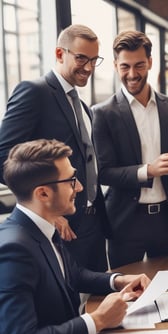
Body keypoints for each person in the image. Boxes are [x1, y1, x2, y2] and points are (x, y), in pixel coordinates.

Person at [0, 138, 150, 334]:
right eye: (71, 180)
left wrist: (117, 280)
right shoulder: (14, 250)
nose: (79, 187)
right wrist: (98, 320)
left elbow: (72, 274)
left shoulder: (40, 226)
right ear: (43, 193)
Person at [0, 24, 110, 272]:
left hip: (93, 224)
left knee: (100, 296)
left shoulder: (82, 105)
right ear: (60, 54)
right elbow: (4, 160)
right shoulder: (34, 92)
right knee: (65, 305)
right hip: (59, 226)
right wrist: (46, 212)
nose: (89, 68)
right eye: (81, 58)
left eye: (94, 60)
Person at [92, 30, 168, 268]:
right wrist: (149, 170)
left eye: (139, 65)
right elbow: (104, 172)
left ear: (150, 62)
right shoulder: (102, 113)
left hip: (167, 221)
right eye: (125, 66)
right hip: (124, 222)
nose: (132, 74)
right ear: (115, 65)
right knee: (130, 295)